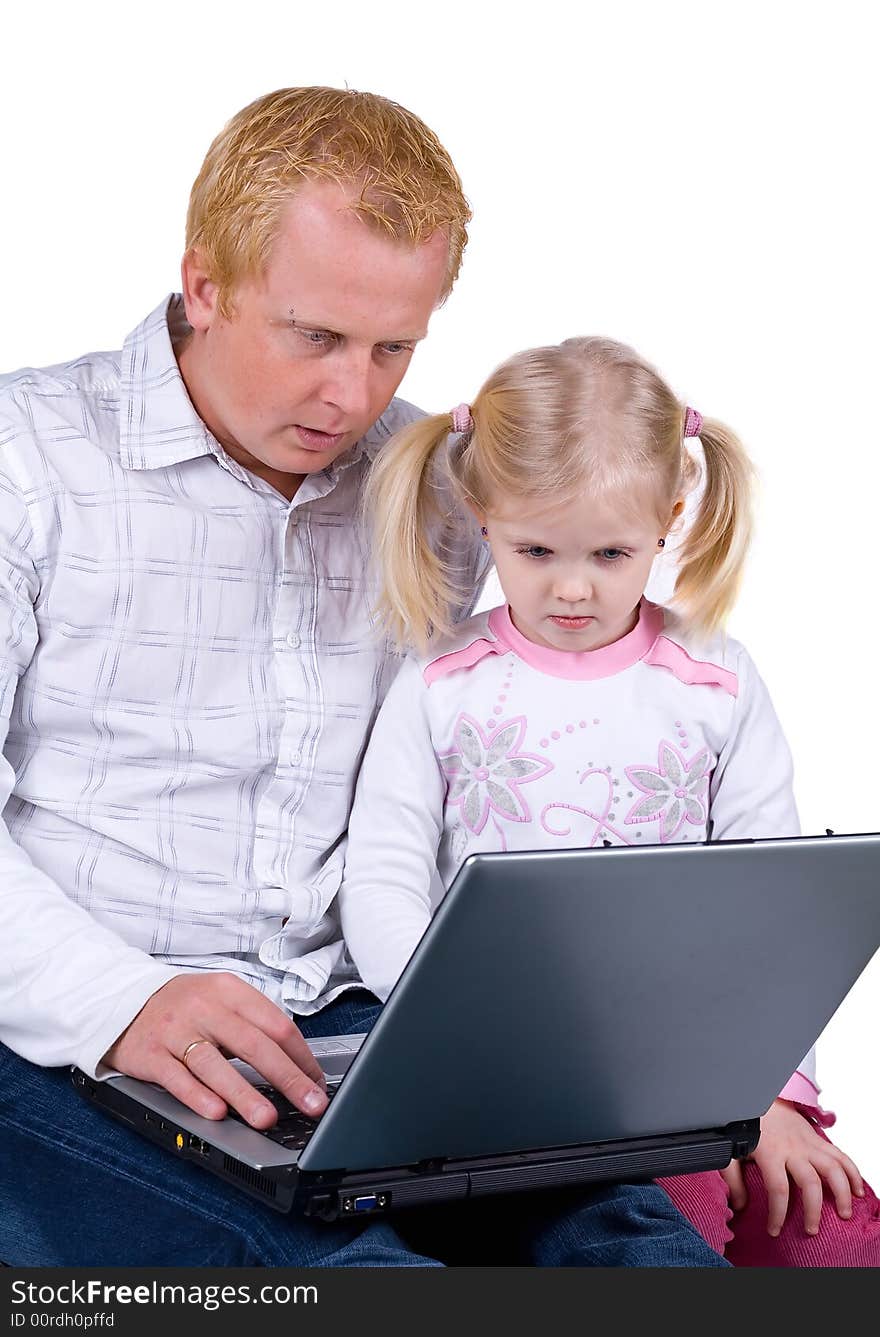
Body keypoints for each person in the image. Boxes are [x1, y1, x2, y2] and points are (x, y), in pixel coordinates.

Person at [0, 87, 728, 1267]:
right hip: (70, 1032)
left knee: (630, 1247)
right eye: (316, 337)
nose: (354, 395)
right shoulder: (26, 465)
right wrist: (117, 998)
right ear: (204, 283)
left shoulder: (428, 477)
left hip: (356, 1021)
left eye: (394, 346)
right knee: (358, 1274)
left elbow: (542, 715)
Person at [337, 335, 880, 1266]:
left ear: (669, 518)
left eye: (611, 551)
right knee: (665, 1238)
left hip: (701, 1073)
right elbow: (382, 880)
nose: (574, 586)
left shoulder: (714, 680)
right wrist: (452, 1017)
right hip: (509, 1069)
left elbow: (773, 910)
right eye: (536, 549)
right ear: (481, 515)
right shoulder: (440, 683)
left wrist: (776, 1095)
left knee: (834, 1237)